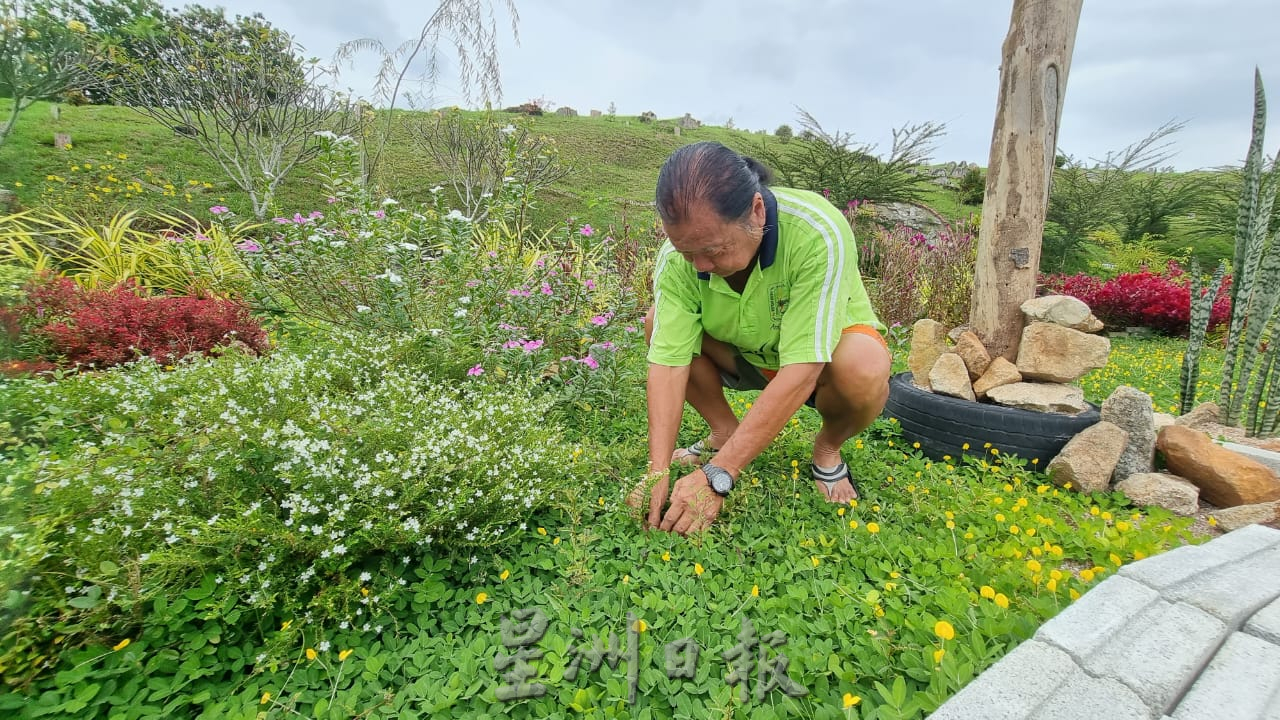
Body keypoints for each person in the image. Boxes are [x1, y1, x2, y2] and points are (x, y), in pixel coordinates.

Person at [625, 141, 891, 535]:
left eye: (713, 250)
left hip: (822, 363)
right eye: (686, 252)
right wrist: (657, 470)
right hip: (740, 353)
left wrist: (720, 473)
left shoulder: (817, 231)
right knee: (656, 322)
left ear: (757, 212)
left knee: (864, 365)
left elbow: (804, 365)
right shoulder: (679, 258)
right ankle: (724, 431)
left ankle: (828, 448)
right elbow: (668, 362)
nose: (700, 266)